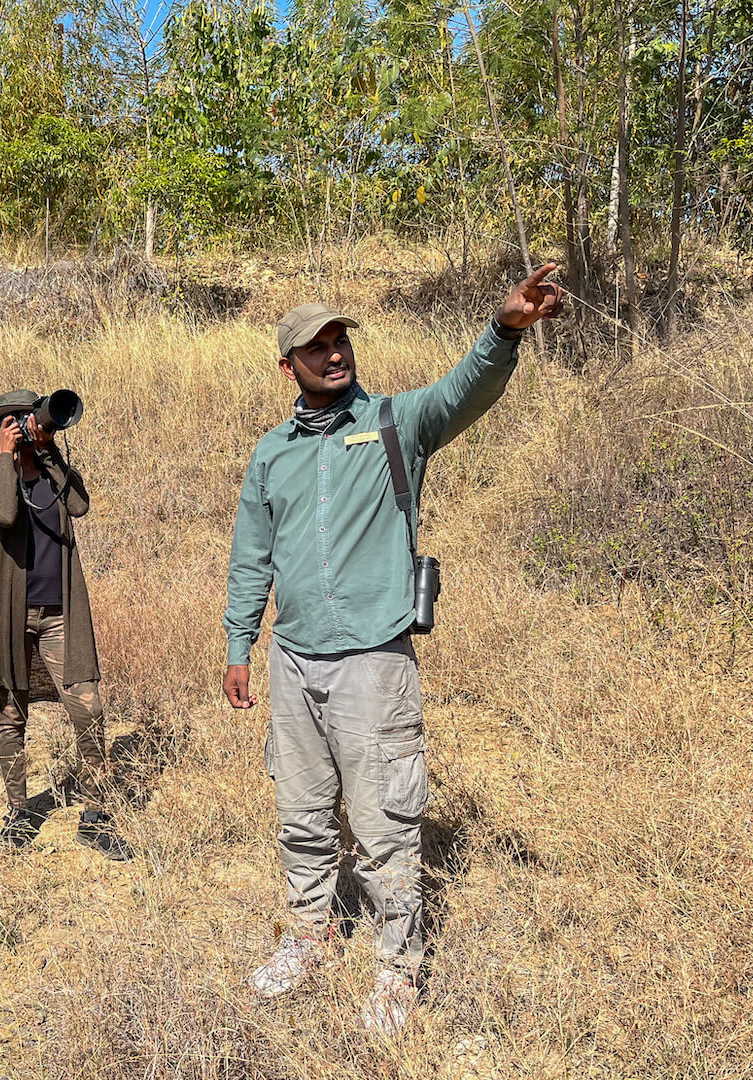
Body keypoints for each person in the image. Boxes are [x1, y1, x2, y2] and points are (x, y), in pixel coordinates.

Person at [222, 266, 563, 1036]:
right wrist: (240, 641)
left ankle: (396, 968)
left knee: (384, 820)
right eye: (318, 347)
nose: (335, 354)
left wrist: (505, 330)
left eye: (341, 341)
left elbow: (462, 391)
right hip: (294, 660)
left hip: (374, 660)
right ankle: (309, 936)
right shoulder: (270, 455)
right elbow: (252, 555)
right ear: (288, 366)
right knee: (303, 814)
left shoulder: (392, 423)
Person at [0, 390, 131, 861]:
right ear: (2, 426)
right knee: (11, 714)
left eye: (31, 418)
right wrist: (6, 455)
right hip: (11, 613)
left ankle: (97, 815)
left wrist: (48, 452)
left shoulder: (53, 472)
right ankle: (19, 811)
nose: (31, 425)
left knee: (89, 707)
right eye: (18, 421)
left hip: (60, 610)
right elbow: (4, 512)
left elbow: (79, 505)